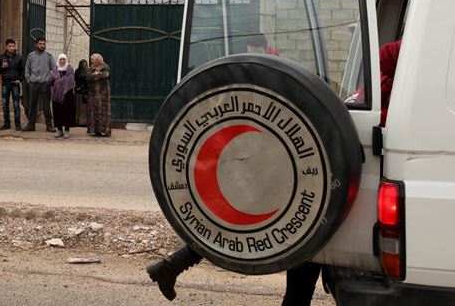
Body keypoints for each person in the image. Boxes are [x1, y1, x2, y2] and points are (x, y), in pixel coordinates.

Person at [148, 39, 406, 303]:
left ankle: (171, 266)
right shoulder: (390, 86)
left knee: (279, 236)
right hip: (315, 167)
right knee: (293, 242)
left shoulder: (383, 87)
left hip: (318, 164)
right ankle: (170, 266)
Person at [23, 37, 56, 132]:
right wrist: (29, 80)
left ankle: (49, 125)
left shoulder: (49, 56)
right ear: (36, 45)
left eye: (43, 44)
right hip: (33, 84)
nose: (42, 46)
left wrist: (50, 80)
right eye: (40, 44)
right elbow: (27, 70)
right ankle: (31, 125)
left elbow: (54, 70)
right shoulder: (31, 56)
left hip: (45, 84)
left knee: (46, 106)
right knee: (32, 105)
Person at [0, 38, 24, 131]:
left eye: (13, 46)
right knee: (5, 104)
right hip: (5, 83)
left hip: (15, 83)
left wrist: (20, 80)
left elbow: (23, 71)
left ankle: (17, 124)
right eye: (10, 46)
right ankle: (7, 124)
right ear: (6, 47)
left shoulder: (19, 58)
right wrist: (2, 67)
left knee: (16, 104)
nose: (11, 48)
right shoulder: (2, 57)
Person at [50, 54, 75, 139]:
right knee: (57, 112)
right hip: (56, 94)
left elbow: (71, 80)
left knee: (67, 111)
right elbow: (51, 80)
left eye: (64, 59)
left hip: (67, 93)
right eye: (61, 59)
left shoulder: (70, 69)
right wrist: (57, 83)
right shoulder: (55, 69)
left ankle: (67, 130)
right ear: (58, 60)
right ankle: (59, 130)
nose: (62, 61)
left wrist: (59, 81)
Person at [86, 53, 112, 137]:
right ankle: (96, 130)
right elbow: (88, 77)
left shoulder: (105, 66)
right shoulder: (91, 68)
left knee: (104, 111)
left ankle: (105, 130)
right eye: (92, 60)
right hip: (93, 93)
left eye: (93, 60)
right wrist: (97, 75)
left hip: (103, 93)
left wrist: (96, 74)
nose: (92, 62)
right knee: (94, 111)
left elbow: (106, 74)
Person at [74, 59, 89, 127]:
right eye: (83, 64)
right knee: (78, 108)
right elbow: (75, 80)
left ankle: (85, 122)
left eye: (85, 64)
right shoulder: (77, 71)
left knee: (85, 109)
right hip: (78, 92)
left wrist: (83, 87)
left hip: (86, 92)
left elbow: (88, 82)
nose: (84, 65)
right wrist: (78, 87)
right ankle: (78, 121)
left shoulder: (88, 72)